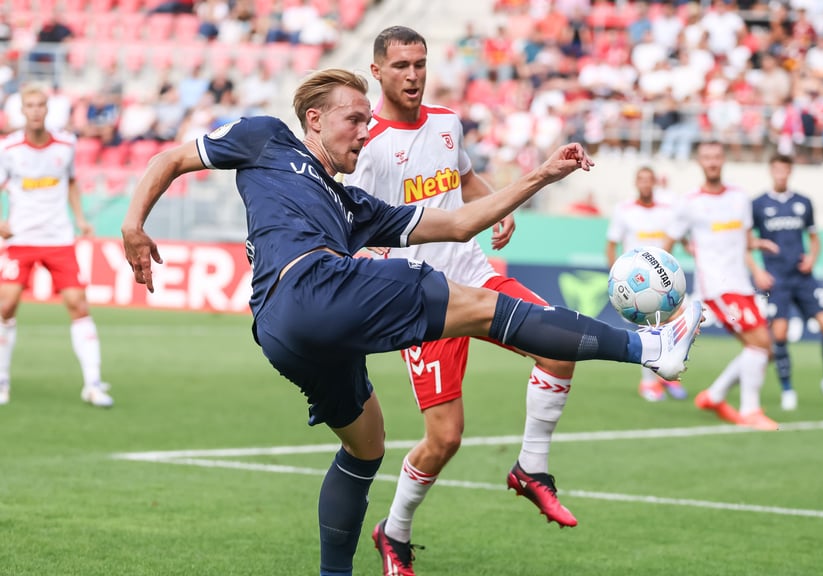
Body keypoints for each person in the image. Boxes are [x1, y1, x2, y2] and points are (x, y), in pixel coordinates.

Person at [120, 68, 705, 576]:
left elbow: (454, 225)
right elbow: (171, 158)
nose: (365, 130)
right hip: (311, 284)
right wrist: (133, 223)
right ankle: (650, 345)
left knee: (367, 446)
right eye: (354, 119)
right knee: (478, 307)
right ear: (314, 119)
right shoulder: (266, 137)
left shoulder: (352, 206)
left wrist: (539, 179)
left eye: (369, 120)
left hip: (281, 330)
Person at [346, 27, 578, 574]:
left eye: (420, 63)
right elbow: (349, 225)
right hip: (420, 301)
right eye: (401, 65)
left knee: (561, 344)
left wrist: (500, 206)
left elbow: (467, 178)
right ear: (377, 72)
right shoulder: (366, 144)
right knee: (444, 440)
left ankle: (531, 469)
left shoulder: (447, 123)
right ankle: (393, 533)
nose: (413, 75)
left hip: (474, 275)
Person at [0, 83, 112, 407]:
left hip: (59, 237)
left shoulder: (66, 143)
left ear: (47, 109)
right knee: (6, 307)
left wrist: (80, 218)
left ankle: (93, 383)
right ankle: (3, 381)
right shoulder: (8, 148)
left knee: (78, 304)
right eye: (30, 105)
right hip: (21, 238)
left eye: (40, 105)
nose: (35, 110)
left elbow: (73, 181)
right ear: (22, 110)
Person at [664, 140, 776, 431]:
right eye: (706, 157)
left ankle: (714, 396)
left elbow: (745, 240)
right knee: (761, 344)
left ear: (723, 159)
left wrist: (758, 258)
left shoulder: (740, 197)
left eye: (716, 156)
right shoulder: (688, 202)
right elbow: (668, 244)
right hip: (717, 288)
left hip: (742, 284)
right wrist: (665, 285)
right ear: (699, 162)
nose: (712, 162)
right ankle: (750, 411)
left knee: (763, 348)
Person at [751, 154, 823, 413]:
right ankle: (788, 389)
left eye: (785, 169)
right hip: (776, 279)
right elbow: (745, 241)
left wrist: (813, 258)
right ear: (771, 170)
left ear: (790, 171)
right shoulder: (758, 204)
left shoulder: (803, 203)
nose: (781, 173)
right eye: (777, 168)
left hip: (802, 277)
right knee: (779, 335)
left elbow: (814, 238)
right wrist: (758, 268)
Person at [606, 166, 686, 402]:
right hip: (636, 286)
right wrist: (616, 279)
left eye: (649, 180)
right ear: (636, 182)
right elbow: (611, 245)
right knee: (651, 332)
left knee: (674, 330)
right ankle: (649, 383)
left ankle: (663, 377)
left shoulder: (667, 210)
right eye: (641, 179)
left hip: (664, 284)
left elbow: (677, 235)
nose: (645, 184)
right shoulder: (624, 210)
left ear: (655, 183)